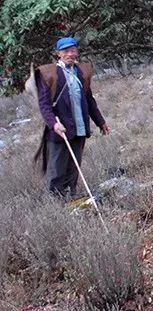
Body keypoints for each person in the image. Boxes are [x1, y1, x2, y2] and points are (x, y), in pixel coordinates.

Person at [34, 36, 109, 200]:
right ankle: (55, 205)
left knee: (74, 167)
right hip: (59, 130)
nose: (70, 54)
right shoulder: (49, 75)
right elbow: (44, 105)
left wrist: (100, 122)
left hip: (79, 127)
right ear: (58, 54)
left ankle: (72, 198)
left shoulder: (81, 72)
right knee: (56, 169)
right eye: (66, 51)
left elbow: (89, 100)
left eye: (73, 50)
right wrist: (54, 124)